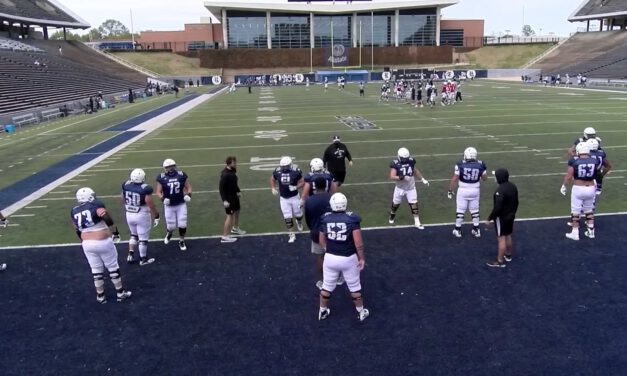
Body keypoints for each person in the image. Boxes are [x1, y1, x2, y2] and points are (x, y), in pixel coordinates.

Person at [70, 187, 132, 303]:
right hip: (102, 241)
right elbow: (107, 218)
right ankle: (120, 292)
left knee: (96, 269)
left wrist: (83, 241)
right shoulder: (95, 205)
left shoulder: (74, 210)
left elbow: (77, 229)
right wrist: (115, 232)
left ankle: (100, 296)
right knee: (113, 266)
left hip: (87, 243)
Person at [318, 193, 369, 322]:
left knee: (327, 286)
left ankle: (322, 311)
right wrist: (361, 258)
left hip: (330, 258)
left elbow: (321, 241)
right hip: (348, 258)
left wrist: (329, 250)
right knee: (354, 286)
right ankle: (360, 311)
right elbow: (358, 243)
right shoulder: (352, 219)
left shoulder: (325, 218)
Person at [122, 168, 160, 265]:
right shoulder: (145, 188)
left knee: (133, 235)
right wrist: (156, 215)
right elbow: (150, 203)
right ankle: (143, 259)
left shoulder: (126, 185)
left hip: (129, 213)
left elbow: (122, 198)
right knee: (143, 238)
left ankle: (130, 255)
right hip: (141, 213)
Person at [561, 143, 598, 241]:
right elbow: (597, 172)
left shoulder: (574, 161)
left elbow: (569, 176)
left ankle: (575, 232)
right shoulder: (595, 161)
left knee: (575, 212)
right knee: (589, 210)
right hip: (591, 188)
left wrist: (564, 185)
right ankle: (591, 231)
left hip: (578, 188)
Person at [448, 147, 487, 237]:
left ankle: (457, 230)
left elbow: (454, 179)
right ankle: (476, 230)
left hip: (463, 189)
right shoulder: (481, 164)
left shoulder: (460, 164)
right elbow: (485, 178)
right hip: (475, 190)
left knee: (461, 210)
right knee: (475, 210)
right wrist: (479, 176)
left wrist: (450, 190)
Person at [388, 147, 430, 229]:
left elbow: (415, 171)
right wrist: (402, 177)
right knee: (395, 204)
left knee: (414, 204)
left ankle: (417, 221)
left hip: (410, 188)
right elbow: (392, 176)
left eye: (406, 158)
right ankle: (392, 215)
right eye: (403, 158)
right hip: (399, 188)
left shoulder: (411, 161)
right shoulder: (395, 164)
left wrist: (422, 179)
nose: (405, 160)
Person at [155, 158, 192, 251]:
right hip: (169, 205)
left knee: (182, 224)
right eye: (168, 167)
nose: (170, 169)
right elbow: (158, 192)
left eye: (172, 166)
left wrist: (189, 195)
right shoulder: (161, 177)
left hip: (180, 204)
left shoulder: (181, 175)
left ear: (175, 166)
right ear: (165, 168)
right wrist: (162, 199)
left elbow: (189, 188)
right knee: (171, 226)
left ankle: (181, 240)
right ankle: (169, 233)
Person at [485, 169, 519, 268]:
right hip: (511, 215)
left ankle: (499, 261)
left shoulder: (499, 191)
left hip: (502, 217)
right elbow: (517, 202)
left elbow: (497, 208)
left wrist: (489, 218)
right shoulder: (513, 186)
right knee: (508, 235)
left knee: (501, 238)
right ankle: (508, 255)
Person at [304, 177, 333, 290]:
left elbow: (308, 218)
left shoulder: (310, 200)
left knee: (320, 257)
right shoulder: (332, 198)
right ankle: (338, 277)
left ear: (314, 186)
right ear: (326, 185)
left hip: (316, 232)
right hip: (332, 231)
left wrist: (312, 228)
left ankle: (324, 280)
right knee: (336, 255)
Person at [270, 156, 304, 243]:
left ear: (290, 165)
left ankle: (299, 222)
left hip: (294, 197)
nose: (284, 168)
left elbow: (303, 182)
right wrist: (273, 188)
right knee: (287, 216)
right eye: (283, 166)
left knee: (298, 214)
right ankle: (291, 234)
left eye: (286, 166)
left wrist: (296, 187)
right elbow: (272, 179)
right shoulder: (277, 171)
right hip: (284, 198)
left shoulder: (296, 171)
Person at [219, 156, 246, 243]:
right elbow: (221, 189)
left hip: (235, 197)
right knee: (229, 216)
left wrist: (238, 191)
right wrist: (224, 200)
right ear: (230, 163)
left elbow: (234, 184)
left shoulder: (233, 171)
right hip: (228, 199)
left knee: (237, 211)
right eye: (234, 163)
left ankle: (235, 228)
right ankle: (225, 236)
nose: (236, 164)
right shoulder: (225, 174)